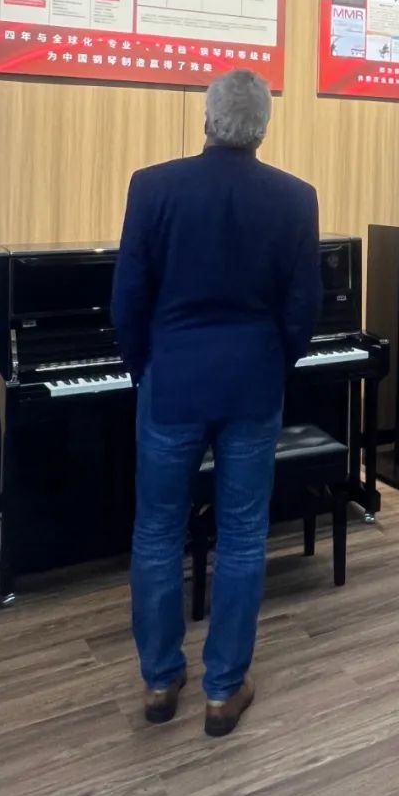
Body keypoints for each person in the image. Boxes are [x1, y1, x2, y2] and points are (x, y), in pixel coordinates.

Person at [112, 70, 322, 737]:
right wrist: (275, 363)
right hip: (252, 385)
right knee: (242, 535)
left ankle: (159, 679)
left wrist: (145, 367)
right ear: (263, 128)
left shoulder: (153, 186)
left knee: (156, 530)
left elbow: (128, 298)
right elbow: (304, 306)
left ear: (206, 120)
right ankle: (224, 690)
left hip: (172, 382)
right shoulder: (295, 198)